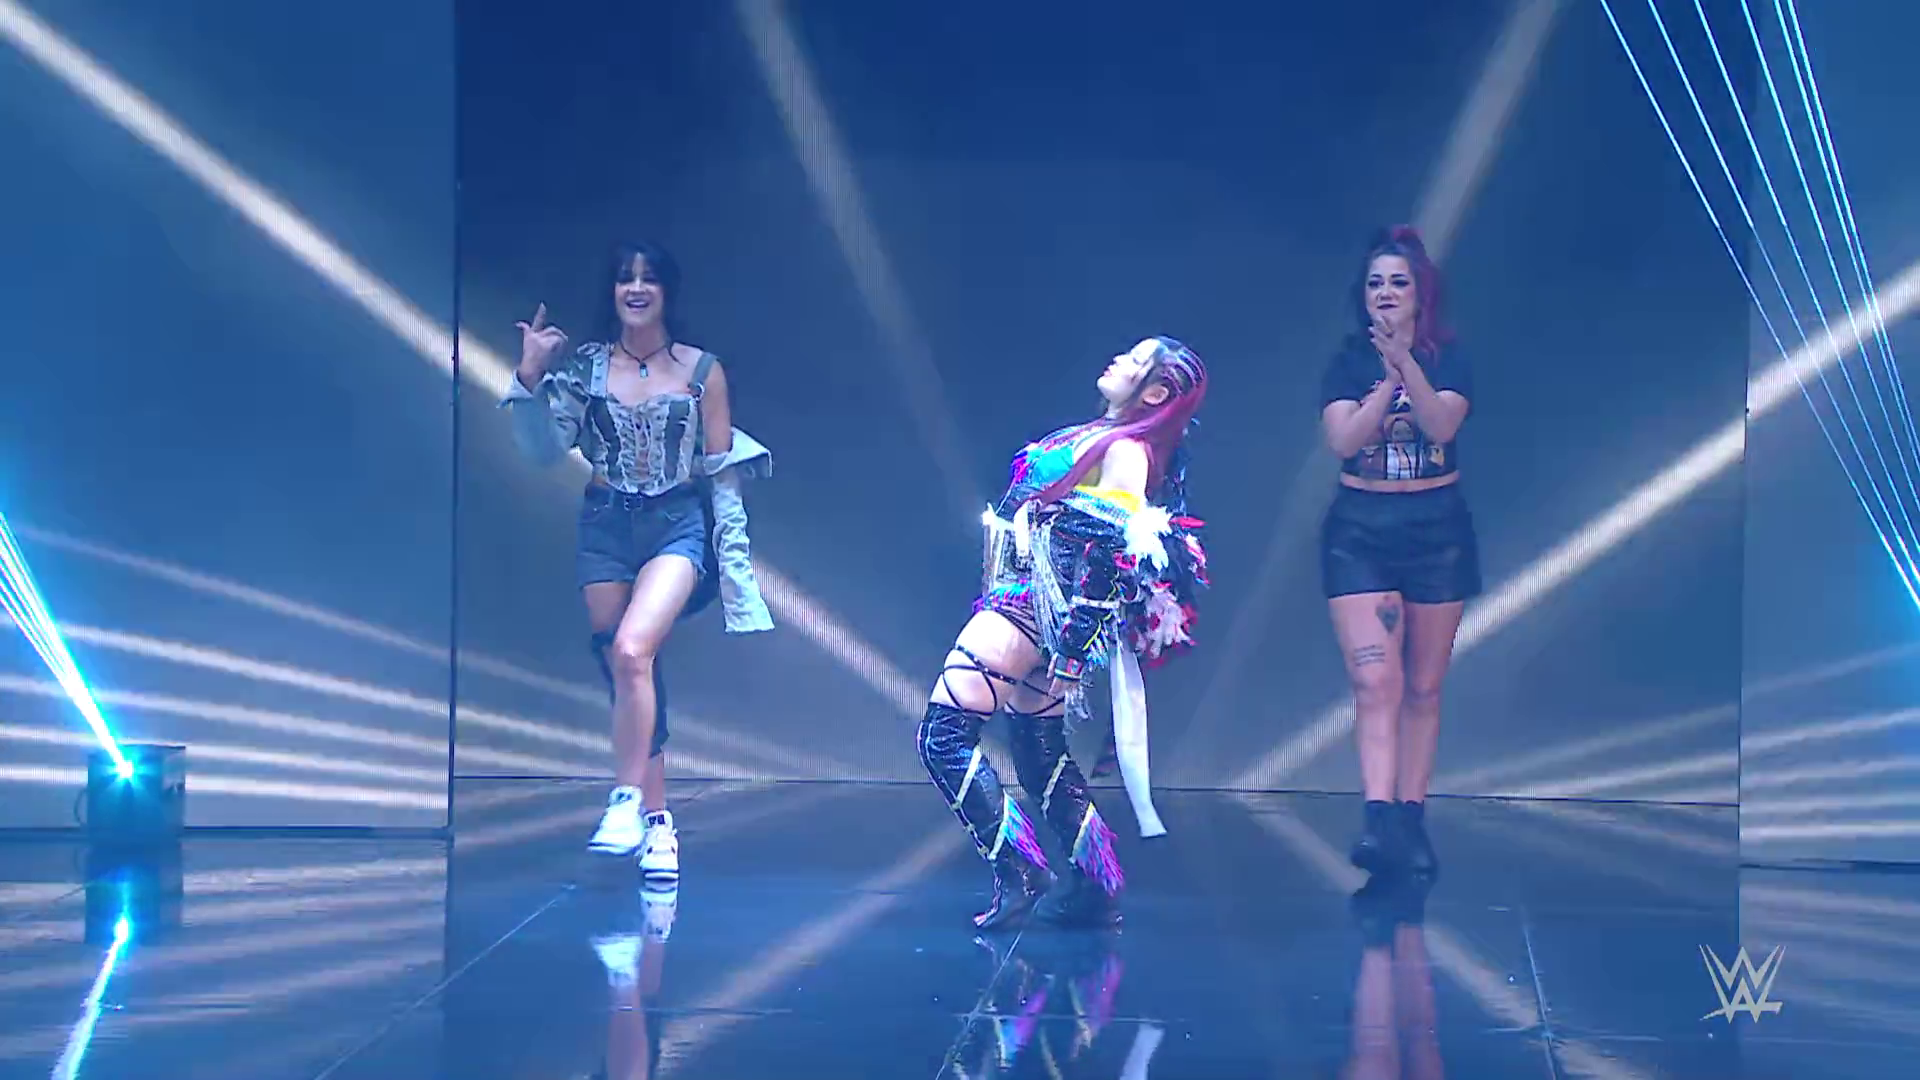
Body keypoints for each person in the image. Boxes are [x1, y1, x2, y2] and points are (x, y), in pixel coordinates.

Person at [502, 241, 774, 883]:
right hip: (605, 525)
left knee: (632, 651)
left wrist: (737, 571)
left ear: (666, 291)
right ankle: (658, 824)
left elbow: (723, 477)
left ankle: (625, 800)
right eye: (626, 277)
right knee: (626, 670)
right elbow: (541, 451)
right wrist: (530, 374)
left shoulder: (702, 371)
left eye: (648, 278)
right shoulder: (587, 369)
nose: (636, 287)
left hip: (677, 523)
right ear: (613, 291)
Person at [918, 337, 1209, 930]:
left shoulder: (1126, 451)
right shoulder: (1105, 437)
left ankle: (1019, 868)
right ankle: (1096, 882)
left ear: (1157, 393)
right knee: (1038, 750)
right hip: (1034, 607)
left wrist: (1073, 647)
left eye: (1134, 361)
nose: (1118, 360)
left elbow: (1109, 550)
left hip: (1030, 608)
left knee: (943, 736)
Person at [1318, 225, 1479, 881]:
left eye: (1398, 283)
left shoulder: (1451, 360)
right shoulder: (1347, 363)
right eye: (1375, 284)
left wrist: (1408, 363)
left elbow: (1441, 424)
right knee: (1373, 680)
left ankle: (1410, 819)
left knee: (1423, 686)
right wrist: (1385, 380)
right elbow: (1344, 441)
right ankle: (1378, 817)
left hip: (1436, 531)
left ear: (1420, 295)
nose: (1385, 293)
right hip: (1360, 530)